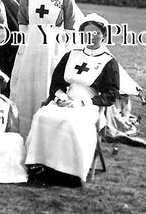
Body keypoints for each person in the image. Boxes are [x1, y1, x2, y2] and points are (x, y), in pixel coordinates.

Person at [25, 13, 120, 184]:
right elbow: (57, 82)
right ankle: (40, 165)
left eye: (96, 33)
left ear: (104, 35)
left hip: (90, 104)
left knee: (71, 123)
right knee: (43, 116)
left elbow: (111, 94)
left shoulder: (108, 62)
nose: (91, 37)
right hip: (66, 98)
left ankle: (69, 173)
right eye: (87, 33)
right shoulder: (71, 54)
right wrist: (60, 97)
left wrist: (84, 102)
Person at [10, 0, 82, 138]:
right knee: (26, 89)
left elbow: (70, 28)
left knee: (47, 87)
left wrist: (61, 52)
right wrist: (25, 45)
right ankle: (22, 132)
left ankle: (44, 136)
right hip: (30, 49)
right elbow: (23, 21)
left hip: (53, 51)